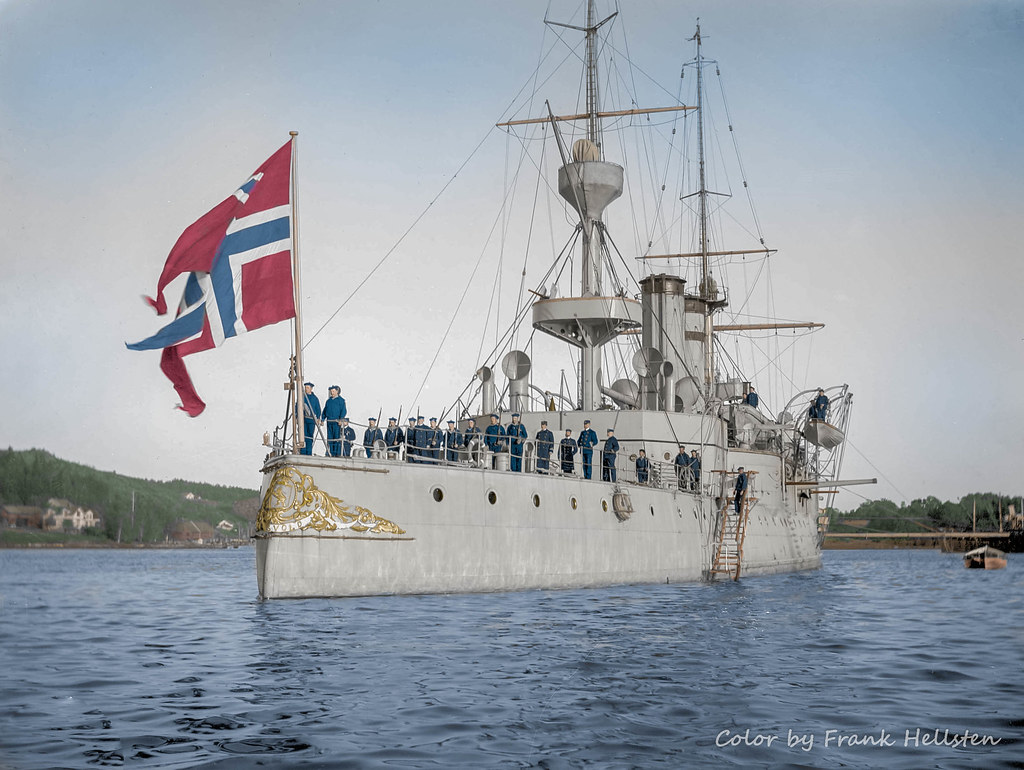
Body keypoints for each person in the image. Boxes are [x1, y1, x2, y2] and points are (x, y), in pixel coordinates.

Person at [321, 385, 347, 457]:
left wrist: (341, 420)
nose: (332, 393)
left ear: (337, 391)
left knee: (336, 438)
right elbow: (325, 411)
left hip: (336, 422)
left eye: (333, 391)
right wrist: (322, 419)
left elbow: (343, 411)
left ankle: (336, 453)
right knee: (329, 438)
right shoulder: (328, 401)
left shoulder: (341, 401)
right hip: (329, 422)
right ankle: (330, 453)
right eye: (331, 391)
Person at [298, 382, 321, 455]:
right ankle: (303, 451)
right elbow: (297, 406)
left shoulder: (315, 399)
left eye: (308, 388)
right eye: (305, 388)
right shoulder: (302, 397)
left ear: (311, 388)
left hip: (311, 420)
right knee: (303, 436)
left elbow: (318, 409)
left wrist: (318, 418)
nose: (306, 389)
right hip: (303, 420)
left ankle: (309, 452)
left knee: (310, 437)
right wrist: (296, 416)